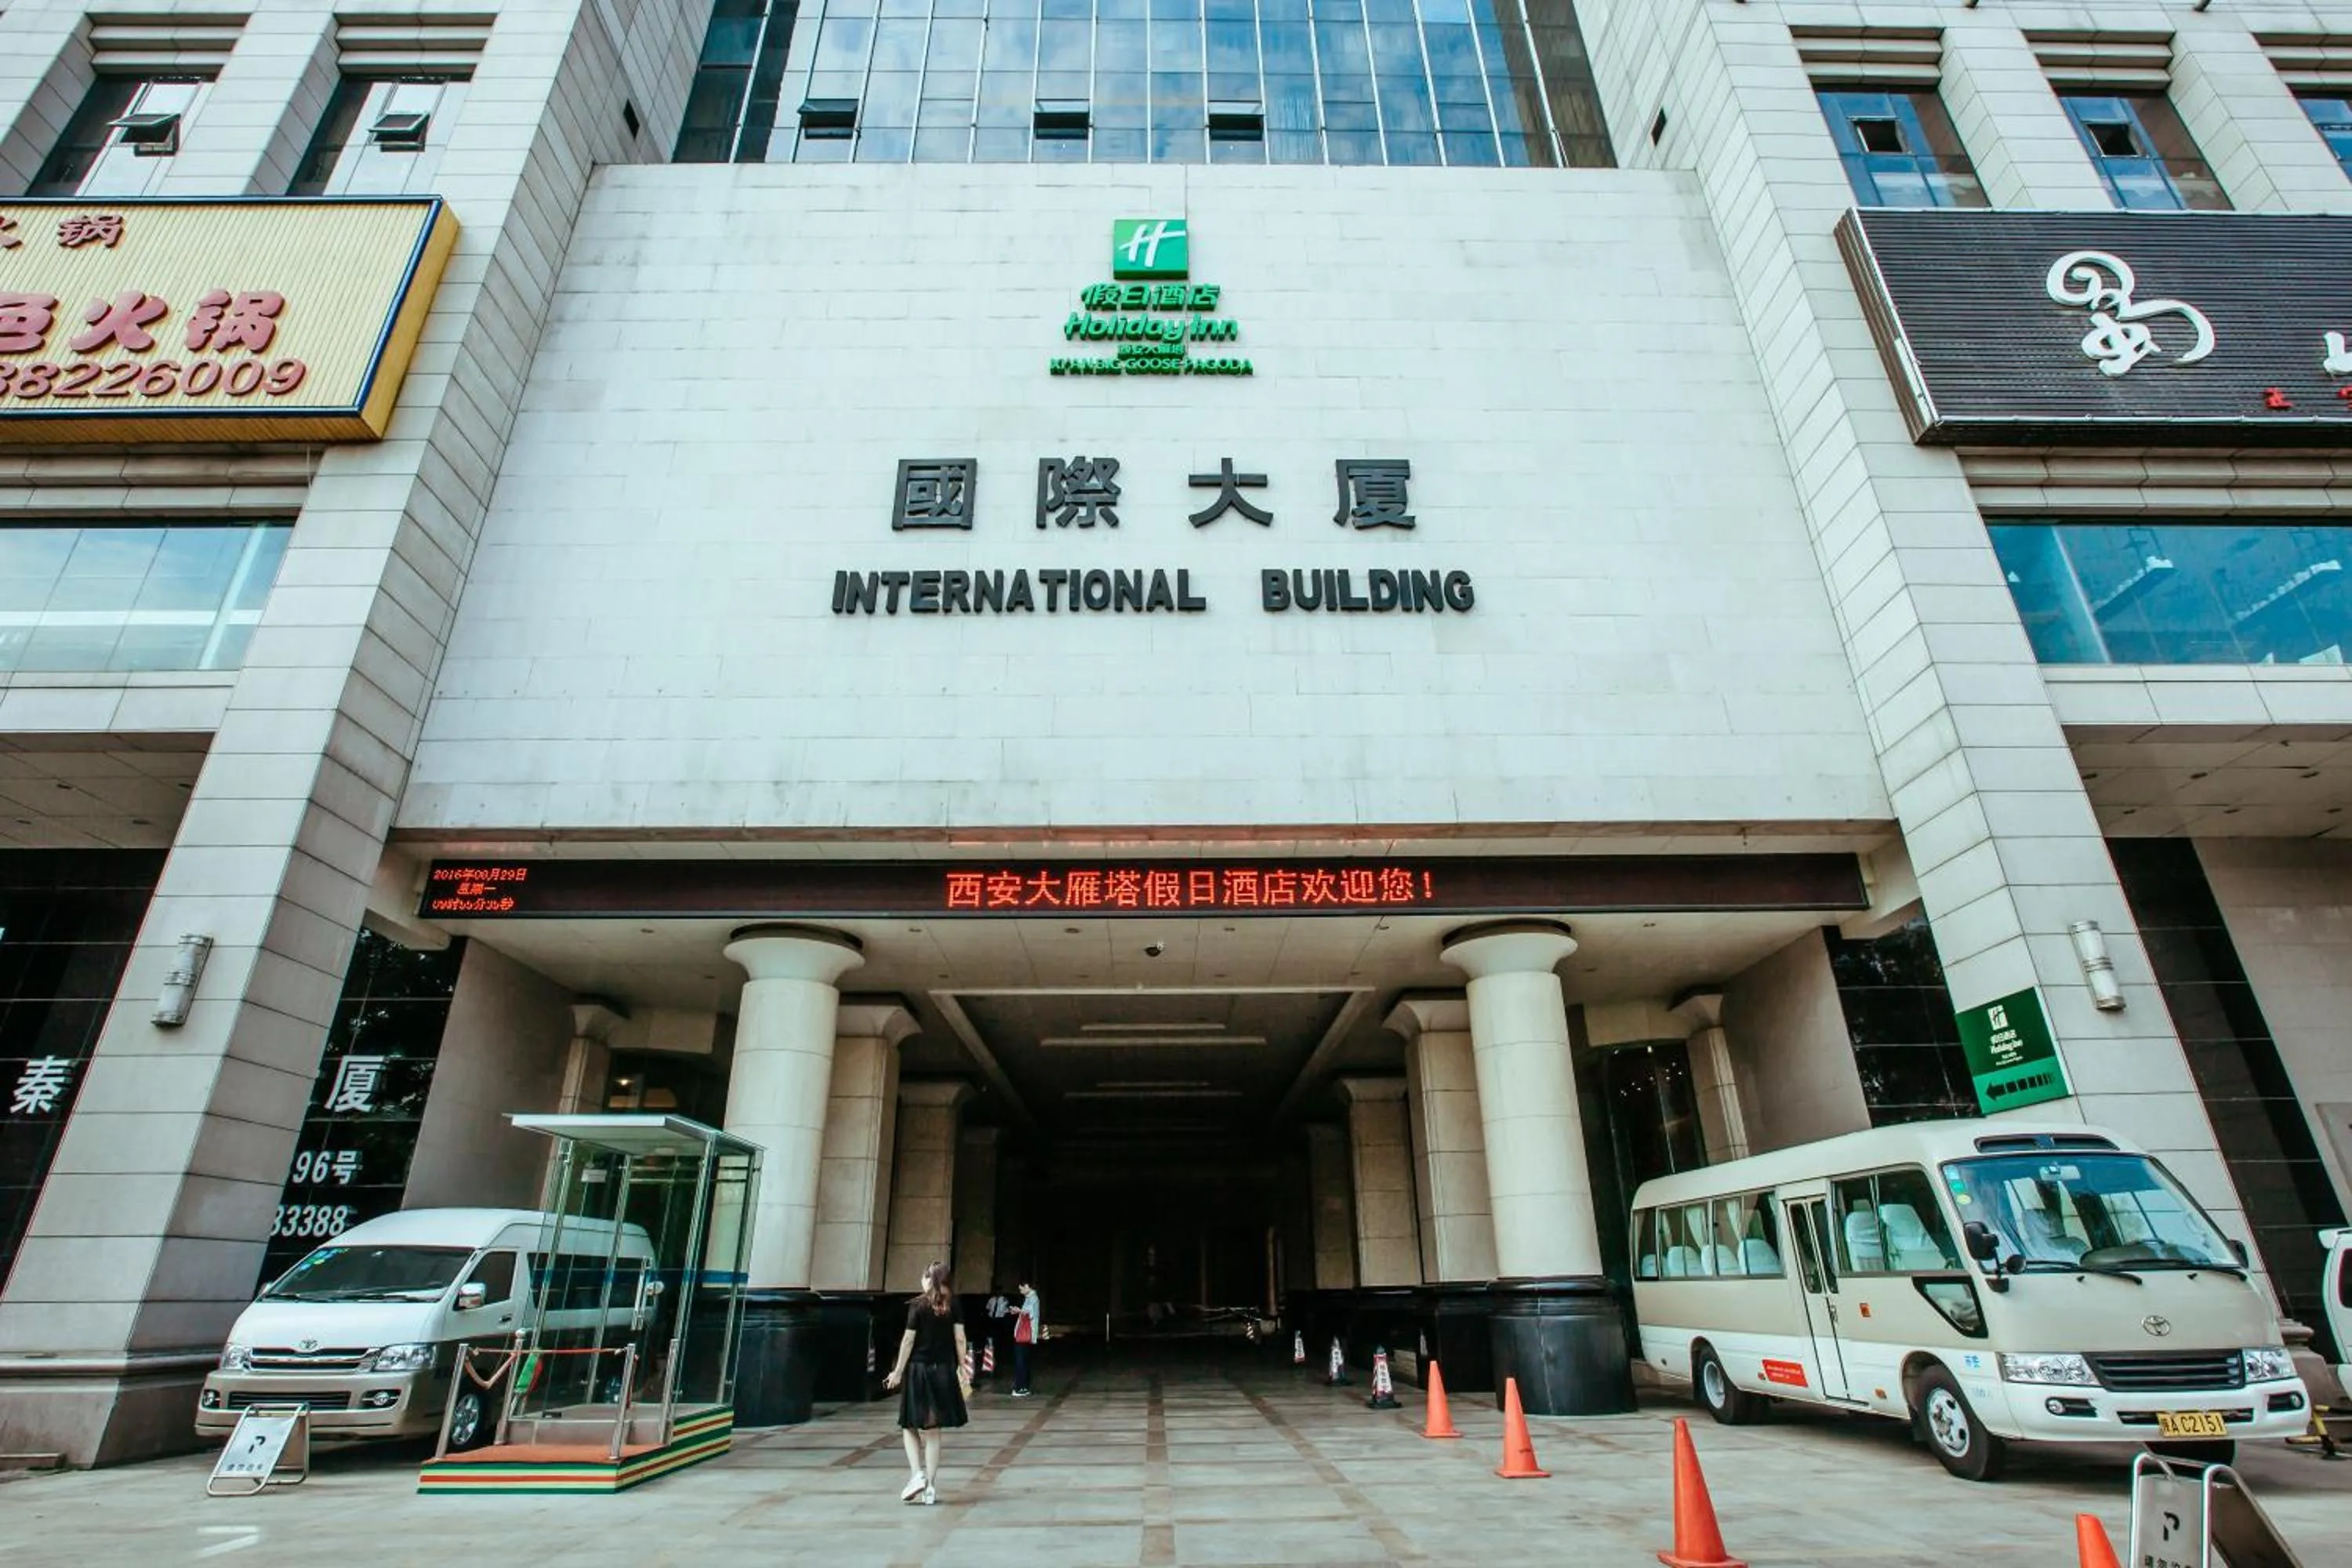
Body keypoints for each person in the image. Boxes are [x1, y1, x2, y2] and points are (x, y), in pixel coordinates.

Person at [884, 1260, 969, 1505]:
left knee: (909, 1424)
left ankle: (916, 1475)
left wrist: (898, 1371)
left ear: (928, 1280)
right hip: (943, 1371)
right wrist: (963, 1367)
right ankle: (930, 1487)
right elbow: (960, 1338)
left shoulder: (918, 1305)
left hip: (919, 1371)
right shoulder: (954, 1305)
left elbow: (908, 1341)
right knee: (933, 1431)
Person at [1010, 1279, 1041, 1397]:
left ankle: (1021, 1387)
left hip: (1025, 1336)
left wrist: (1019, 1310)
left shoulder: (1033, 1298)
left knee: (1021, 1361)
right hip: (1027, 1335)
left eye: (1021, 1288)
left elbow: (1030, 1313)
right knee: (1025, 1361)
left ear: (1027, 1286)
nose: (1021, 1291)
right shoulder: (1031, 1298)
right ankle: (1024, 1386)